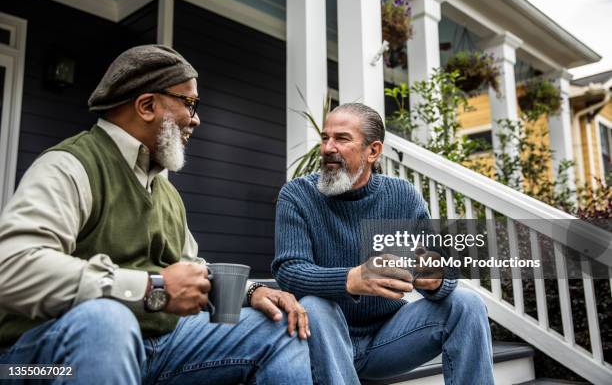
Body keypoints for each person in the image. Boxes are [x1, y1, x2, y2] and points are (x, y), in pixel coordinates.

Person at [0, 45, 312, 384]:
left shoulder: (167, 193)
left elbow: (193, 271)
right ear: (147, 105)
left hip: (157, 346)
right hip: (35, 360)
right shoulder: (70, 165)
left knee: (279, 328)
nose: (196, 118)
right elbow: (12, 266)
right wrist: (152, 289)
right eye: (189, 104)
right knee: (107, 322)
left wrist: (252, 292)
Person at [273, 103, 494, 384]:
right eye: (325, 137)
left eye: (341, 138)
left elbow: (443, 268)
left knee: (467, 302)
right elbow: (289, 272)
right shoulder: (298, 194)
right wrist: (352, 279)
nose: (328, 147)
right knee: (316, 306)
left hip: (388, 340)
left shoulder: (402, 195)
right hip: (323, 339)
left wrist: (436, 279)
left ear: (373, 151)